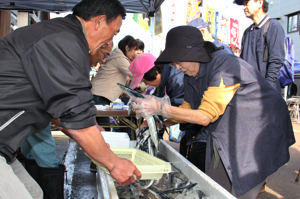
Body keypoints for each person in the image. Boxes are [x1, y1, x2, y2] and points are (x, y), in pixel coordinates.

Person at [132, 25, 295, 199]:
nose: (178, 67)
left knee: (242, 187)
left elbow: (204, 116)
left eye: (179, 61)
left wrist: (160, 108)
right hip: (229, 128)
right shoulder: (190, 75)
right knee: (215, 186)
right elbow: (187, 110)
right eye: (173, 64)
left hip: (258, 130)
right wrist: (161, 123)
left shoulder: (225, 65)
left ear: (194, 53)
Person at [0, 0, 142, 198]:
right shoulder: (64, 41)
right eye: (114, 31)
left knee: (33, 193)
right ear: (100, 21)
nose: (111, 39)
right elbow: (76, 118)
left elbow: (62, 111)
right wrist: (115, 163)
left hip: (6, 148)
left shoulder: (62, 36)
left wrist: (92, 129)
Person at [236, 0, 285, 91]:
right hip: (248, 92)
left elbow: (276, 61)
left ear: (259, 3)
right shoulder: (247, 32)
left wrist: (267, 89)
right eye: (243, 3)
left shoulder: (274, 26)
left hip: (265, 93)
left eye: (247, 2)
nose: (244, 7)